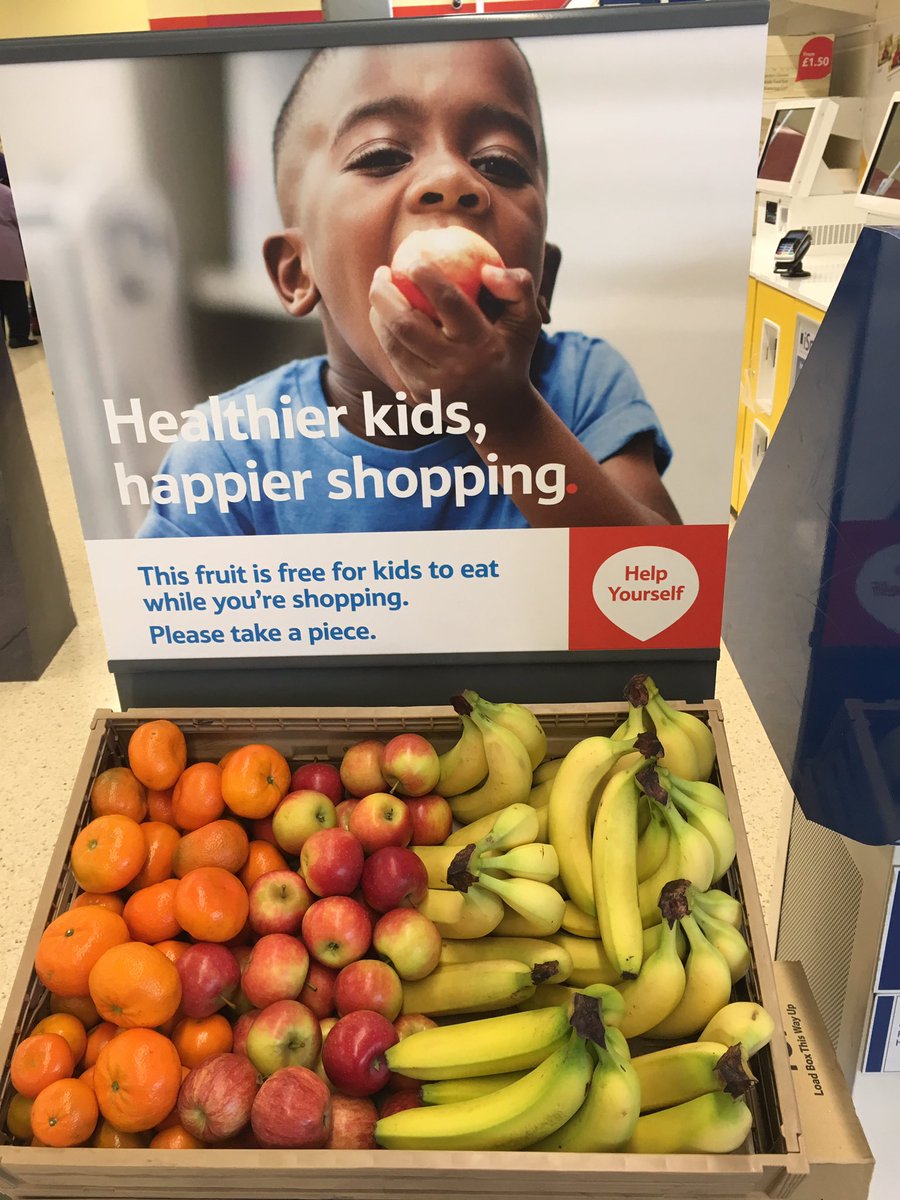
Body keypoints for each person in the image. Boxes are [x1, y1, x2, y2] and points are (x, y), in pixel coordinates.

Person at [138, 39, 678, 538]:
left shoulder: (583, 388)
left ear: (543, 281)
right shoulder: (230, 454)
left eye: (498, 162)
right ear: (297, 272)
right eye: (381, 155)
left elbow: (667, 600)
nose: (451, 179)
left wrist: (507, 417)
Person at [0, 154, 37, 350]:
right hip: (6, 254)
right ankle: (18, 336)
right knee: (14, 297)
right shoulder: (5, 193)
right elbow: (20, 219)